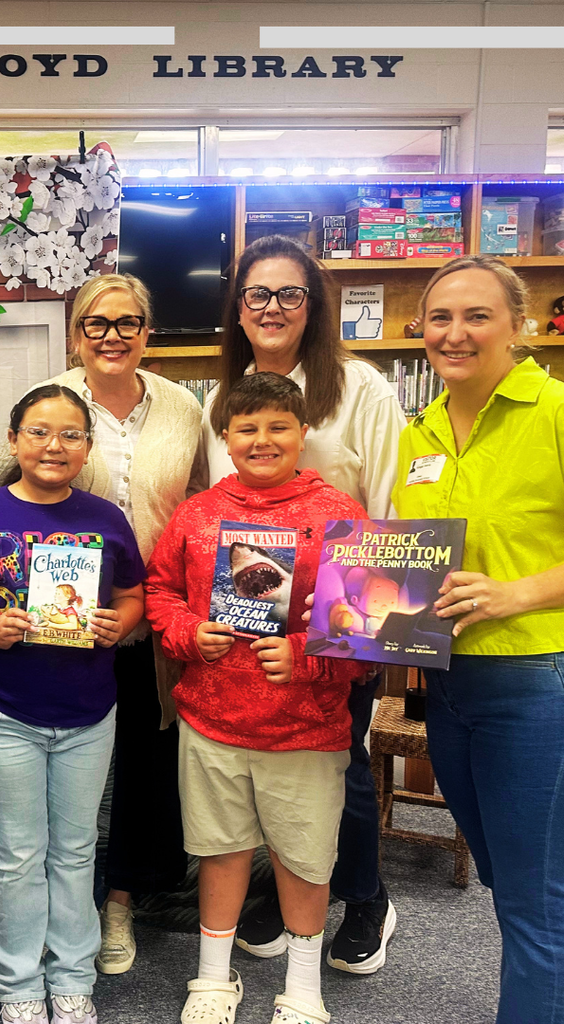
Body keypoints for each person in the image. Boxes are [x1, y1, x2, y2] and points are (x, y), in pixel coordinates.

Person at [204, 235, 404, 973]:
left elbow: (388, 511)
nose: (273, 308)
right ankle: (291, 893)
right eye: (257, 294)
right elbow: (216, 509)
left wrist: (366, 638)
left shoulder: (363, 389)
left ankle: (367, 900)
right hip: (251, 617)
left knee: (340, 768)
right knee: (265, 773)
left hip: (338, 620)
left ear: (313, 305)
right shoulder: (226, 397)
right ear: (239, 307)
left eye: (290, 293)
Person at [146, 372, 368, 1024]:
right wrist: (189, 633)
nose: (262, 440)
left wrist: (304, 654)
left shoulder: (338, 514)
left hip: (304, 730)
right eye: (247, 428)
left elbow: (368, 622)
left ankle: (303, 987)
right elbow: (159, 591)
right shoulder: (199, 512)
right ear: (225, 436)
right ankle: (214, 979)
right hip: (212, 722)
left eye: (278, 426)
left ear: (303, 432)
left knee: (303, 859)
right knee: (218, 851)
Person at [0, 385, 146, 1024]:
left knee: (75, 850)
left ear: (87, 447)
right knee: (18, 854)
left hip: (88, 713)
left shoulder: (106, 518)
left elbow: (134, 595)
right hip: (2, 712)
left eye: (71, 434)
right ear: (15, 440)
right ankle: (19, 983)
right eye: (40, 431)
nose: (54, 445)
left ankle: (72, 976)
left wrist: (120, 623)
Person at [392, 254, 564, 1024]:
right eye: (439, 318)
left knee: (538, 900)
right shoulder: (418, 431)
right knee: (502, 873)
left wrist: (517, 592)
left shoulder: (554, 410)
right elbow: (410, 557)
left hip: (536, 683)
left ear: (519, 326)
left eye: (477, 315)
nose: (454, 333)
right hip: (449, 687)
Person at [34, 272, 206, 975]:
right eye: (97, 323)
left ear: (147, 333)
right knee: (63, 770)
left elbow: (199, 502)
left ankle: (121, 903)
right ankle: (55, 904)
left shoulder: (183, 406)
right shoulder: (51, 400)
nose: (112, 336)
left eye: (127, 323)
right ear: (76, 334)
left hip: (154, 619)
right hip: (68, 618)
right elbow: (11, 481)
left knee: (144, 767)